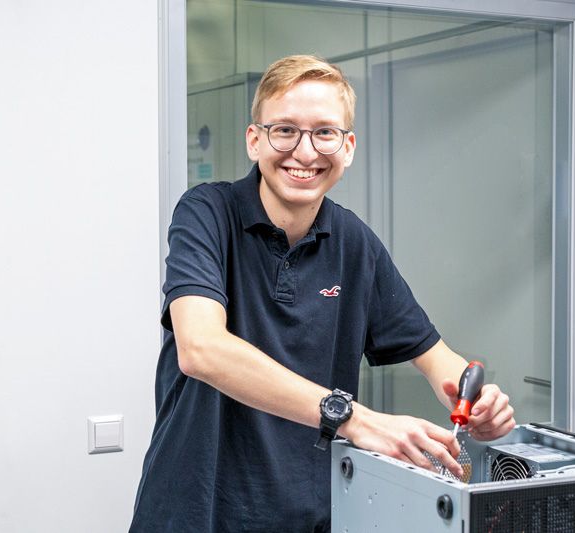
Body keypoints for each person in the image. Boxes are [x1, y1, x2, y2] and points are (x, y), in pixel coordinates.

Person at [130, 54, 515, 533]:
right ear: (255, 140)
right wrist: (353, 418)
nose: (305, 151)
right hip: (196, 512)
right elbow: (201, 349)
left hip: (311, 515)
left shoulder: (353, 243)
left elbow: (441, 363)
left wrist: (480, 403)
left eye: (325, 132)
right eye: (285, 130)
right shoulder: (208, 213)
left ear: (347, 147)